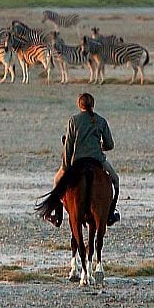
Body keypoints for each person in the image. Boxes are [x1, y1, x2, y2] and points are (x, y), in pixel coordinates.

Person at [46, 92, 120, 226]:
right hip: (98, 160)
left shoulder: (73, 120)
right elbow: (110, 144)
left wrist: (66, 166)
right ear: (93, 105)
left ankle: (57, 214)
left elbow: (68, 145)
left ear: (79, 105)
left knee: (57, 181)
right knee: (115, 181)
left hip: (77, 160)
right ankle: (110, 213)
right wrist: (100, 147)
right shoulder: (101, 121)